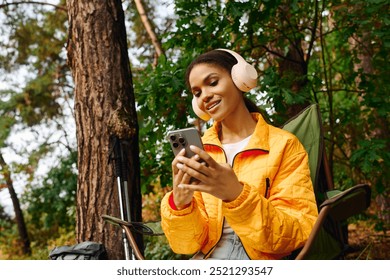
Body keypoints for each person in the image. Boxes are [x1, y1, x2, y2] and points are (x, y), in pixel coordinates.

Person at [160, 49, 318, 260]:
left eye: (213, 82)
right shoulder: (201, 151)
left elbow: (297, 231)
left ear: (240, 78)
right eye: (197, 93)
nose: (205, 96)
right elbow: (186, 246)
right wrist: (180, 206)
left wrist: (236, 195)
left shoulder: (284, 145)